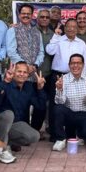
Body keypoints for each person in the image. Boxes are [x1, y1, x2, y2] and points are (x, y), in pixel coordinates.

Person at [0, 62, 44, 154]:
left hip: (17, 125)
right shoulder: (6, 84)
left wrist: (40, 89)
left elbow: (40, 106)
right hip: (1, 125)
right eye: (19, 71)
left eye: (25, 72)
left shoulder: (29, 87)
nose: (22, 74)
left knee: (34, 136)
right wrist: (6, 81)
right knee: (9, 114)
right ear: (13, 72)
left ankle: (9, 142)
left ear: (28, 75)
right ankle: (2, 148)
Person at [53, 54, 86, 151]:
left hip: (85, 113)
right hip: (70, 113)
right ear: (69, 65)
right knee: (58, 108)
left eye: (78, 63)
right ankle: (60, 139)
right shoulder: (63, 79)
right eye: (73, 63)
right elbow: (60, 102)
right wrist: (59, 89)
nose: (75, 65)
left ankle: (78, 135)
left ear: (83, 64)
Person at [5, 4, 44, 82]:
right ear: (19, 15)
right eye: (23, 13)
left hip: (33, 75)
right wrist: (25, 67)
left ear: (32, 16)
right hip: (17, 74)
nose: (26, 15)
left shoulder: (37, 32)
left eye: (28, 14)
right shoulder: (13, 30)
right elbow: (11, 52)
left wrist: (35, 65)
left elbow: (41, 52)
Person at [35, 8, 55, 139]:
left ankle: (48, 128)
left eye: (47, 17)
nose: (44, 19)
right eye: (42, 17)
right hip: (33, 74)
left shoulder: (54, 35)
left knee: (48, 104)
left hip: (48, 74)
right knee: (37, 104)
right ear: (37, 18)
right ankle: (34, 130)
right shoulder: (32, 32)